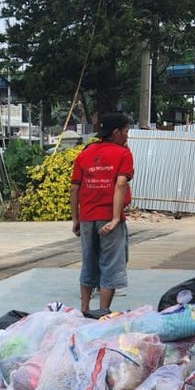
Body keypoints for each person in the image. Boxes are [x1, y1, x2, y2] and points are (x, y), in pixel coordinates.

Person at [70, 111, 134, 314]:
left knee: (89, 262)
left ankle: (85, 309)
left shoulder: (85, 153)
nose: (127, 135)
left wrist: (75, 218)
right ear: (116, 132)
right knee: (111, 264)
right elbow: (121, 183)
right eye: (126, 131)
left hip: (87, 217)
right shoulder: (123, 153)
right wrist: (115, 218)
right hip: (109, 219)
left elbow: (74, 188)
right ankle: (103, 312)